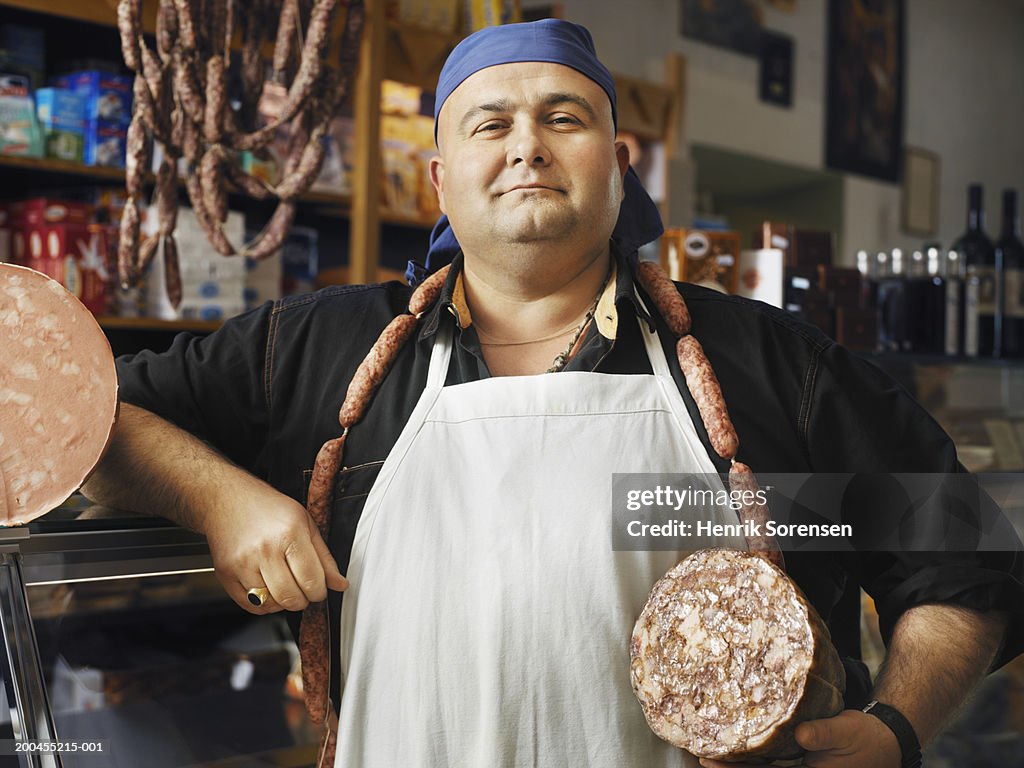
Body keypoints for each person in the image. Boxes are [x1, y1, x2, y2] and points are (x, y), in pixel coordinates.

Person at [82, 18, 1023, 768]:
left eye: (564, 118)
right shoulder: (314, 349)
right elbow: (88, 420)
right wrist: (218, 494)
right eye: (489, 124)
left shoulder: (775, 365)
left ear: (620, 169)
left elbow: (959, 554)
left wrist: (896, 730)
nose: (526, 145)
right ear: (442, 182)